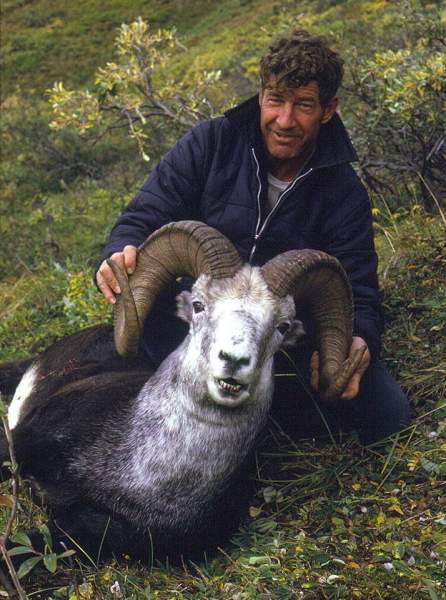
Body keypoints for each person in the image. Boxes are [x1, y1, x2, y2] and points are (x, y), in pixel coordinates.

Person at [95, 29, 410, 445]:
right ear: (261, 95)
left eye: (303, 106)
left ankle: (258, 431)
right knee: (118, 368)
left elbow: (359, 290)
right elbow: (146, 213)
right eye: (276, 100)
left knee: (388, 412)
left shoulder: (343, 191)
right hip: (198, 323)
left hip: (279, 340)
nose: (284, 120)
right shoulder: (210, 143)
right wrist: (121, 251)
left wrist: (358, 340)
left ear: (328, 109)